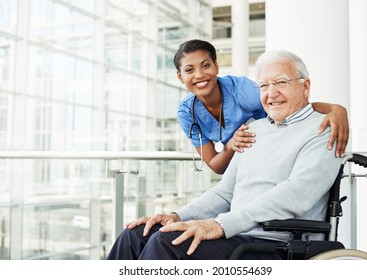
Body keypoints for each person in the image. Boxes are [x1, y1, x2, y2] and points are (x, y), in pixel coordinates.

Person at [107, 49, 343, 260]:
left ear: (305, 86)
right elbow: (225, 192)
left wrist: (221, 225)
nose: (271, 94)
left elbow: (296, 195)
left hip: (275, 243)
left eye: (281, 82)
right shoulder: (253, 130)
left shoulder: (324, 130)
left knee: (167, 244)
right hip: (236, 233)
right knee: (137, 235)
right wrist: (177, 215)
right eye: (263, 86)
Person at [175, 39, 348, 174]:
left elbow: (294, 104)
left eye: (206, 65)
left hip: (275, 155)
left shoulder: (243, 91)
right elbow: (215, 165)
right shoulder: (186, 111)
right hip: (241, 168)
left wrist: (335, 109)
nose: (199, 75)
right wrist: (231, 145)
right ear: (180, 77)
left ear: (216, 67)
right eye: (189, 70)